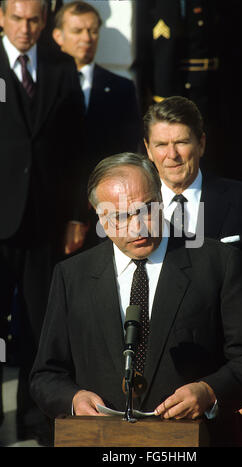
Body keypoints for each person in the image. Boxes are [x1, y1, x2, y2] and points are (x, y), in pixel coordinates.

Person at [30, 152, 242, 447]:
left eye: (146, 210)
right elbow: (46, 374)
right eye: (119, 216)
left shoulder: (218, 262)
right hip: (103, 442)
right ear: (99, 216)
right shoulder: (72, 276)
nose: (137, 227)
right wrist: (73, 400)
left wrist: (209, 392)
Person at [143, 95, 242, 445]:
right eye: (161, 144)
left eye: (181, 142)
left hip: (226, 377)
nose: (171, 154)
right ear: (148, 149)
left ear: (201, 143)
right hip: (152, 378)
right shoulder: (134, 209)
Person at [0, 0, 86, 444]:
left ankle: (36, 418)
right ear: (1, 18)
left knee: (40, 325)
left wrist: (76, 215)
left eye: (34, 19)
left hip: (46, 224)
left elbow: (76, 149)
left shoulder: (61, 68)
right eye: (17, 18)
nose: (26, 28)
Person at [52, 1, 142, 250]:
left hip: (103, 211)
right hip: (50, 208)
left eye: (92, 31)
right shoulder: (41, 88)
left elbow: (126, 151)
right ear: (58, 35)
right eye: (78, 31)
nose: (87, 38)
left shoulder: (122, 88)